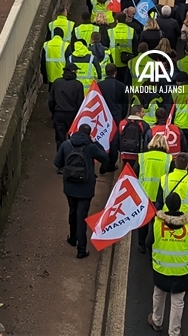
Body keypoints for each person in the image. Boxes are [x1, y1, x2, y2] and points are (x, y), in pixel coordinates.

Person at [53, 123, 109, 259]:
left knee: (72, 211)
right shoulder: (90, 147)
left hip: (69, 187)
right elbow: (105, 157)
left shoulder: (66, 145)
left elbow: (57, 163)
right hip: (85, 187)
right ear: (89, 134)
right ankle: (81, 249)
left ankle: (73, 238)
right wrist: (96, 143)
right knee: (81, 215)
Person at [147, 192, 188, 336]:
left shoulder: (157, 222)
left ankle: (157, 320)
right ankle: (174, 332)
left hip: (161, 267)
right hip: (182, 269)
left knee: (159, 294)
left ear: (166, 204)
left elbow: (149, 242)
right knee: (178, 301)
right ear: (180, 206)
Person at [137, 134, 172, 252]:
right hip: (161, 195)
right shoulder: (169, 159)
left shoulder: (142, 157)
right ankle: (154, 243)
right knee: (158, 221)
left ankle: (142, 244)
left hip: (144, 193)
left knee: (143, 221)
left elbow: (133, 173)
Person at [49, 66, 84, 150]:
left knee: (60, 139)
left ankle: (61, 158)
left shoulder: (57, 82)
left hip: (59, 113)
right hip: (73, 115)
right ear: (73, 71)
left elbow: (51, 100)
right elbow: (80, 102)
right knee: (73, 138)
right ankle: (71, 157)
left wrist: (54, 112)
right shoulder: (78, 84)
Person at [118, 104, 151, 174]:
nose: (144, 114)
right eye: (142, 112)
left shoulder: (122, 122)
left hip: (124, 152)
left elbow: (118, 137)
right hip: (137, 153)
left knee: (124, 170)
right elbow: (146, 141)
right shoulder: (144, 125)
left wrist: (120, 149)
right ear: (137, 113)